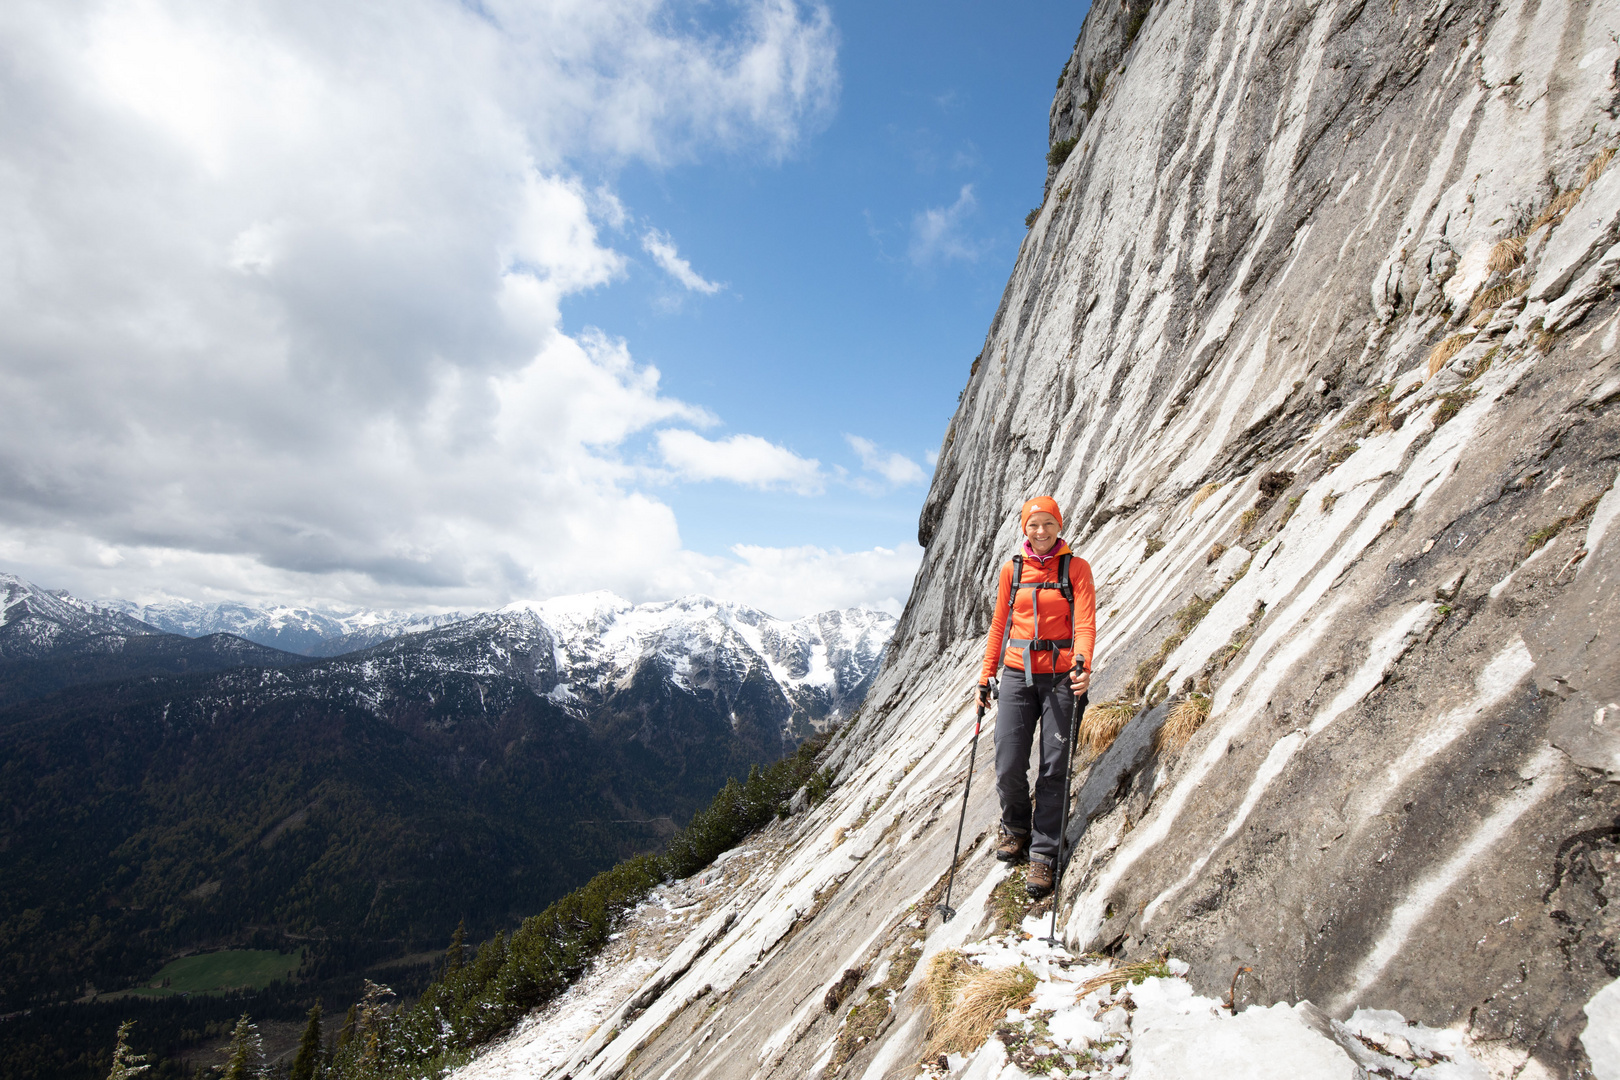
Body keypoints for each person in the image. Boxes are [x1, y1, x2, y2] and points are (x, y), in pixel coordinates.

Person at [977, 495, 1096, 899]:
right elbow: (999, 624)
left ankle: (1043, 854)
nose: (1041, 531)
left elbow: (1085, 622)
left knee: (1054, 766)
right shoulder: (1012, 570)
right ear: (1024, 529)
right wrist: (984, 676)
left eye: (1048, 524)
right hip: (1016, 673)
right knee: (1008, 761)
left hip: (1062, 676)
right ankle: (1015, 828)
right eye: (1033, 525)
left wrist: (1082, 664)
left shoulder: (1076, 568)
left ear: (1058, 526)